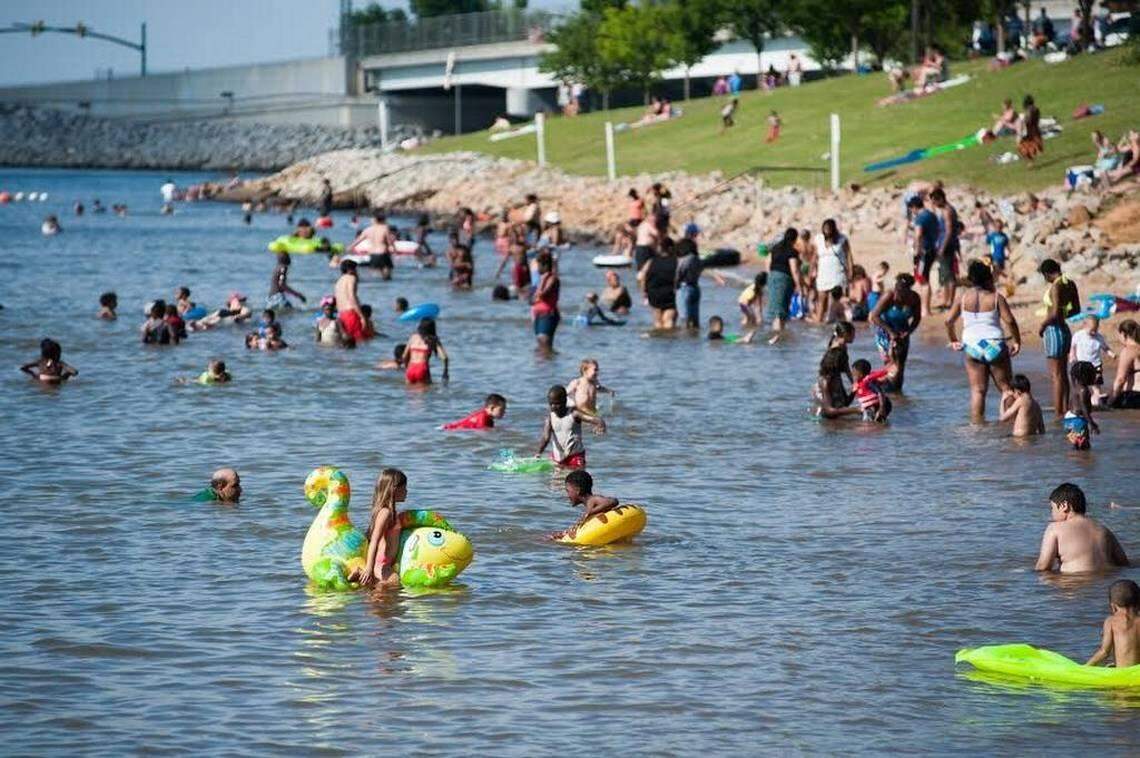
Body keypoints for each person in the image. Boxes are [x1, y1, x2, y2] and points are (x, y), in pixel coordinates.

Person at [944, 260, 1021, 420]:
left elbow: (948, 321)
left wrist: (953, 339)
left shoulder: (963, 298)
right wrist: (1016, 341)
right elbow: (1010, 321)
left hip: (972, 346)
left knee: (978, 391)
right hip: (995, 344)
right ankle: (1011, 423)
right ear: (987, 277)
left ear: (971, 279)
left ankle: (978, 428)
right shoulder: (995, 297)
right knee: (1006, 388)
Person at [1035, 482, 1128, 574]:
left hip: (1076, 583)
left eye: (1052, 508)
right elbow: (1124, 563)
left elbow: (1043, 567)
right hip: (1103, 584)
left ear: (1064, 506)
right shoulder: (1103, 529)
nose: (1052, 513)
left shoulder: (1055, 528)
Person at [1038, 258, 1080, 417]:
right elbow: (1076, 309)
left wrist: (1043, 324)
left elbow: (1054, 312)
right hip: (1064, 329)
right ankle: (1065, 409)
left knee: (1056, 376)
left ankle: (1058, 414)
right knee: (1063, 373)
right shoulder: (1070, 283)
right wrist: (1062, 315)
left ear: (1047, 274)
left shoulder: (1056, 286)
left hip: (1053, 330)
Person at [356, 468, 407, 589]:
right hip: (381, 565)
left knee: (388, 599)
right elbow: (374, 540)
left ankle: (360, 575)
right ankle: (362, 575)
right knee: (391, 588)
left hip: (387, 564)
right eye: (404, 488)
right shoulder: (385, 513)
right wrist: (369, 568)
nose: (406, 491)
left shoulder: (392, 512)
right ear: (394, 489)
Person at [536, 384, 605, 469]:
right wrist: (538, 453)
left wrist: (601, 424)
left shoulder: (574, 414)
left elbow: (595, 419)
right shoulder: (550, 418)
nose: (553, 407)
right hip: (558, 457)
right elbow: (546, 437)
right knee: (557, 480)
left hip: (575, 456)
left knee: (577, 476)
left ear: (565, 401)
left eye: (557, 403)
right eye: (551, 404)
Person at [553, 470, 622, 541]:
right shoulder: (589, 504)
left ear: (577, 490)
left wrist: (591, 512)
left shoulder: (593, 499)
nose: (567, 495)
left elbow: (613, 501)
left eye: (568, 491)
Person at [1086, 580, 1140, 668]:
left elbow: (1104, 652)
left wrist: (1086, 667)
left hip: (1122, 674)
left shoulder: (1111, 621)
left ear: (1113, 606)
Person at [763, 227, 804, 341]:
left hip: (773, 277)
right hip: (784, 279)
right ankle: (777, 336)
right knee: (781, 311)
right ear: (794, 239)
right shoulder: (792, 251)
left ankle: (777, 335)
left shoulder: (775, 248)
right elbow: (794, 269)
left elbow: (767, 263)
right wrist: (799, 285)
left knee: (777, 309)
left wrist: (770, 277)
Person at [812, 219, 853, 323]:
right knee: (822, 299)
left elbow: (848, 255)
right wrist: (812, 270)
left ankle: (843, 323)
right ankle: (819, 325)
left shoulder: (842, 239)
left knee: (838, 300)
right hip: (823, 273)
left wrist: (851, 271)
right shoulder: (818, 239)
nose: (827, 230)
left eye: (829, 228)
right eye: (825, 228)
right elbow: (815, 256)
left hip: (838, 273)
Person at [1070, 315, 1115, 406]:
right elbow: (1073, 346)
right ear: (1084, 326)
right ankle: (1083, 400)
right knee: (1083, 385)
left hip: (1096, 364)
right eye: (1091, 330)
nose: (1094, 332)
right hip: (1082, 364)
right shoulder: (1078, 335)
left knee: (1096, 385)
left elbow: (1105, 348)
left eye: (1095, 330)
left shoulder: (1099, 337)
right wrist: (1072, 355)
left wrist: (1111, 354)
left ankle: (1096, 400)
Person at [909, 194, 941, 316]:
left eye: (911, 209)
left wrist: (916, 251)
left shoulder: (920, 217)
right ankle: (925, 308)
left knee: (923, 280)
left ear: (914, 207)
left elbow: (918, 235)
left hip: (924, 251)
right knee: (924, 278)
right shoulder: (931, 215)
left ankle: (925, 310)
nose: (912, 212)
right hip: (932, 249)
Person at [930, 188, 960, 310]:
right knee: (945, 274)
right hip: (946, 244)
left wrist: (942, 247)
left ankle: (949, 302)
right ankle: (946, 300)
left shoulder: (947, 211)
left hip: (947, 245)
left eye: (935, 202)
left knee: (949, 274)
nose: (934, 205)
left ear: (940, 199)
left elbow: (949, 231)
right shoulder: (947, 209)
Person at [675, 230, 712, 330]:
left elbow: (679, 272)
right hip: (695, 288)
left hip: (684, 288)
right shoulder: (697, 259)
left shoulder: (685, 259)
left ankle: (686, 342)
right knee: (695, 320)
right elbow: (702, 270)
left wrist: (675, 285)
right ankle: (694, 339)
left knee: (684, 319)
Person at [639, 242, 678, 330]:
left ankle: (657, 340)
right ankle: (669, 339)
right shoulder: (676, 261)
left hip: (654, 294)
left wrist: (644, 292)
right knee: (669, 319)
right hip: (670, 294)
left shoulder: (651, 261)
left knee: (657, 320)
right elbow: (678, 277)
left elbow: (642, 276)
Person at [814, 347, 860, 420]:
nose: (847, 365)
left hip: (837, 419)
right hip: (828, 423)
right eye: (845, 362)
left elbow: (844, 404)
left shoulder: (836, 377)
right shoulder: (825, 382)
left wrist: (853, 391)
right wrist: (856, 410)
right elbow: (829, 411)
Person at [350, 210, 396, 281]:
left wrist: (349, 248)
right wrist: (393, 248)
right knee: (387, 277)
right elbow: (389, 241)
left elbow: (356, 242)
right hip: (383, 253)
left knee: (377, 275)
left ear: (375, 220)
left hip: (373, 255)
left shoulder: (367, 230)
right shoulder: (385, 228)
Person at [1064, 361, 1100, 450]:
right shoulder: (1084, 391)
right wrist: (1092, 424)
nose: (1095, 377)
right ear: (1085, 377)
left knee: (1077, 446)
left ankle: (1077, 462)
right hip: (1078, 420)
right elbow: (1084, 410)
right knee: (1084, 447)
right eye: (1092, 375)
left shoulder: (1075, 386)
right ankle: (1084, 462)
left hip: (1069, 419)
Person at [404, 317, 448, 385]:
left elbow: (404, 356)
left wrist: (407, 368)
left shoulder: (413, 337)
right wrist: (445, 371)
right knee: (424, 394)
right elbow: (444, 357)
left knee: (409, 394)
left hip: (411, 368)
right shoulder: (433, 340)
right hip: (422, 369)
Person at [531, 251, 561, 354]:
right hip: (539, 315)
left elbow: (542, 294)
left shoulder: (552, 278)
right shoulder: (541, 278)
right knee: (541, 344)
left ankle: (549, 365)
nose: (537, 268)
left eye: (538, 265)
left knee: (545, 343)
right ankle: (545, 368)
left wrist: (543, 280)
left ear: (545, 265)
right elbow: (533, 298)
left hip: (548, 314)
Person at [1108, 319, 1140, 408]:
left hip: (1135, 395)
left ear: (1123, 334)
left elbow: (1120, 379)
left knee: (1097, 400)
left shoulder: (1128, 351)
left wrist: (1112, 400)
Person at [334, 259, 368, 344]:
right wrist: (361, 316)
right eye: (355, 269)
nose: (357, 272)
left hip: (342, 314)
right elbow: (352, 297)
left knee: (347, 342)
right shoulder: (351, 278)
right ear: (350, 270)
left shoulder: (339, 281)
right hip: (351, 313)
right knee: (359, 341)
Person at [441, 394, 507, 430]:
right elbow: (482, 435)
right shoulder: (483, 418)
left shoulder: (485, 414)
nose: (504, 412)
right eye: (502, 410)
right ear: (492, 408)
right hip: (446, 430)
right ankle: (509, 455)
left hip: (445, 428)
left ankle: (509, 454)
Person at [1017, 95, 1043, 164]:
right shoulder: (1036, 109)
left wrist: (1023, 119)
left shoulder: (1030, 110)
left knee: (1022, 146)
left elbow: (1029, 120)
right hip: (1035, 132)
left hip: (1032, 134)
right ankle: (1031, 160)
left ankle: (1031, 161)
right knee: (1025, 147)